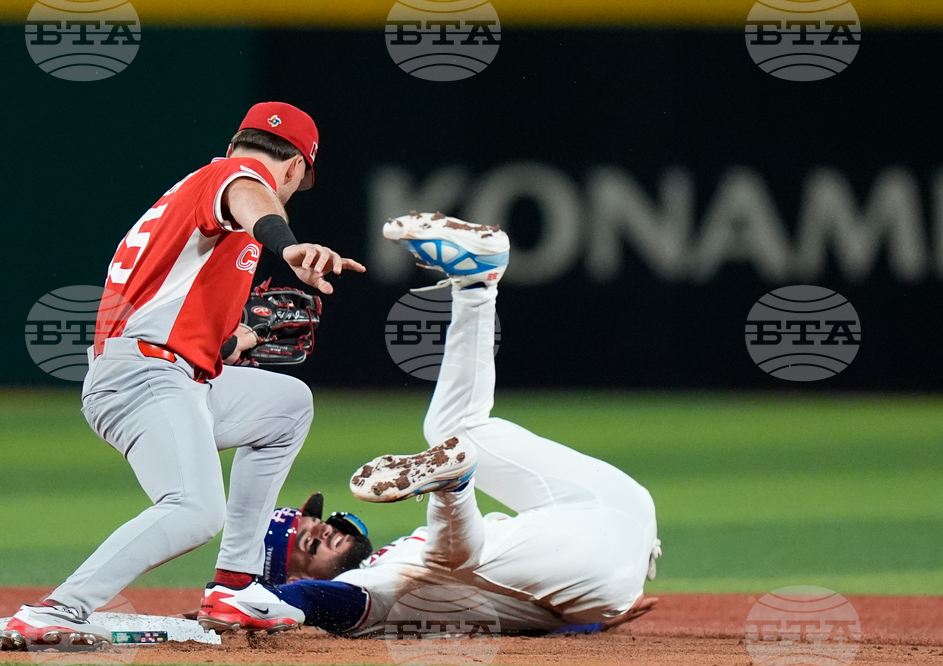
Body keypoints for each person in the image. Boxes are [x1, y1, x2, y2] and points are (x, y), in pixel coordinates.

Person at [0, 102, 365, 651]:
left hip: (168, 371)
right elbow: (248, 188)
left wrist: (235, 341)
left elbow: (172, 316)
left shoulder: (204, 204)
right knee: (195, 509)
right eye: (297, 180)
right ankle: (57, 609)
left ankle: (234, 586)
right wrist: (286, 243)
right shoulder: (231, 179)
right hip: (142, 376)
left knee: (288, 405)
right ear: (292, 168)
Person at [250, 213, 662, 637]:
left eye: (320, 524)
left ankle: (476, 280)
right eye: (309, 542)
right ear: (298, 577)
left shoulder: (390, 567)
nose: (326, 530)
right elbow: (312, 600)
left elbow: (515, 609)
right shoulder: (364, 587)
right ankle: (453, 482)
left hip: (602, 519)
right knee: (449, 519)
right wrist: (242, 601)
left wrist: (595, 610)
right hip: (597, 558)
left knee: (455, 430)